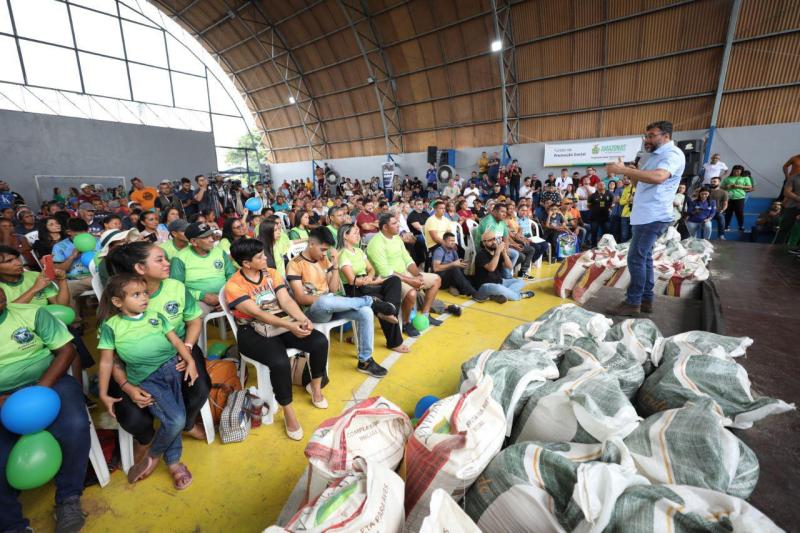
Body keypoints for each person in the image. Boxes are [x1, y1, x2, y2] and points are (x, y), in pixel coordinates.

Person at [104, 241, 211, 451]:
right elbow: (112, 357)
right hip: (134, 364)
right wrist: (127, 386)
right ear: (140, 268)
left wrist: (187, 348)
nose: (167, 263)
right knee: (132, 417)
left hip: (179, 349)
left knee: (200, 388)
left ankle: (186, 424)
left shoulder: (176, 287)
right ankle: (149, 440)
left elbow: (194, 320)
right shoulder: (118, 300)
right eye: (160, 259)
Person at [97, 274, 198, 488]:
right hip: (148, 379)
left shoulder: (156, 316)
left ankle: (172, 462)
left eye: (144, 293)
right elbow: (106, 362)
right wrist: (103, 393)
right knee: (177, 420)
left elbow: (176, 341)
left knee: (174, 418)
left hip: (173, 371)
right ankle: (154, 456)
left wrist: (190, 361)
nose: (144, 298)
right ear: (117, 302)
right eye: (136, 295)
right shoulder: (111, 326)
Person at [0, 288, 89, 532]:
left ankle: (68, 498)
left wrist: (40, 392)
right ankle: (12, 525)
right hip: (2, 397)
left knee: (75, 426)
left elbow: (67, 350)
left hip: (49, 381)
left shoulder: (32, 313)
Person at [605, 120, 685, 316]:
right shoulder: (653, 156)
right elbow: (638, 182)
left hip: (653, 214)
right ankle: (646, 300)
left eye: (652, 136)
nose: (647, 140)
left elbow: (659, 177)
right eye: (646, 136)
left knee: (635, 258)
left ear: (665, 136)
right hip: (644, 214)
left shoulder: (671, 154)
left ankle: (633, 303)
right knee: (645, 258)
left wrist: (623, 170)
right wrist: (629, 170)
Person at [287, 228, 391, 378]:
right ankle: (369, 301)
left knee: (366, 312)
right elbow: (301, 298)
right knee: (324, 300)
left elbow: (333, 288)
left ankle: (365, 361)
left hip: (333, 305)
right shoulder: (295, 264)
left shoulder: (324, 260)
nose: (324, 254)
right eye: (322, 250)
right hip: (313, 312)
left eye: (326, 250)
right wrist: (327, 299)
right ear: (311, 244)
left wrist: (335, 265)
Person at [367, 214, 443, 338]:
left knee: (436, 279)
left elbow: (408, 260)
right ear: (385, 227)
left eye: (398, 222)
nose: (398, 225)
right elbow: (385, 271)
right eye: (394, 223)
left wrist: (417, 276)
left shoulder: (396, 238)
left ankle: (425, 314)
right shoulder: (376, 243)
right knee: (411, 293)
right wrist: (412, 281)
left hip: (406, 274)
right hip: (390, 280)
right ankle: (406, 322)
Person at [337, 224, 409, 353]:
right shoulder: (342, 254)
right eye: (354, 233)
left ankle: (388, 311)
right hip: (354, 289)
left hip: (367, 284)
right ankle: (394, 341)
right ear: (345, 236)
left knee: (394, 280)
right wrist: (369, 281)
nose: (358, 235)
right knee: (382, 299)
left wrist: (371, 278)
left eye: (358, 232)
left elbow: (371, 269)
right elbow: (352, 280)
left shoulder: (358, 251)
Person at [169, 222, 236, 316]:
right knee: (194, 316)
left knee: (247, 305)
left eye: (211, 235)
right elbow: (176, 287)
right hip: (199, 300)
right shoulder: (180, 258)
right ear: (193, 242)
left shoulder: (219, 252)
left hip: (225, 295)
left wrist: (227, 296)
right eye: (205, 237)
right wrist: (201, 295)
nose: (212, 239)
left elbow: (232, 275)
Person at [473, 230, 533, 302]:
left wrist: (504, 253)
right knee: (499, 288)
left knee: (521, 282)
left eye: (494, 239)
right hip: (485, 285)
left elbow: (509, 266)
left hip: (500, 282)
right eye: (490, 240)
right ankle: (519, 295)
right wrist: (498, 252)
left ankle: (499, 295)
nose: (494, 242)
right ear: (484, 243)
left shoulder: (497, 252)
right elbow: (491, 268)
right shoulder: (481, 254)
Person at [52, 218, 94, 310]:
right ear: (69, 232)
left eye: (85, 233)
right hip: (73, 280)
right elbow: (59, 270)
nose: (82, 237)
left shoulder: (97, 242)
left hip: (94, 277)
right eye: (77, 235)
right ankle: (76, 323)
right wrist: (72, 257)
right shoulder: (60, 246)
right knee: (66, 290)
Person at [432, 232, 486, 302]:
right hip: (440, 279)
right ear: (444, 241)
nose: (453, 243)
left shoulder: (453, 251)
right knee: (454, 269)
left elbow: (457, 264)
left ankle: (472, 290)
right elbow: (436, 268)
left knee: (468, 277)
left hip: (451, 276)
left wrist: (462, 264)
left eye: (454, 241)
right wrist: (453, 264)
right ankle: (473, 293)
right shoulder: (439, 251)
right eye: (451, 241)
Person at [476, 202, 519, 278]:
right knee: (512, 255)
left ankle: (504, 274)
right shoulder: (488, 222)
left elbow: (506, 237)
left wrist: (505, 249)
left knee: (515, 254)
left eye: (505, 212)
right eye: (502, 212)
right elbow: (488, 242)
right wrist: (501, 251)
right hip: (485, 249)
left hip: (497, 246)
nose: (504, 214)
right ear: (494, 212)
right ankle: (506, 276)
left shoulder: (502, 222)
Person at [721, 166, 753, 232]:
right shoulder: (728, 178)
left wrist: (738, 186)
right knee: (728, 212)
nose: (736, 172)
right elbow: (722, 187)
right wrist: (727, 187)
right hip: (729, 197)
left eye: (738, 171)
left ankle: (741, 225)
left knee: (739, 212)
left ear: (741, 171)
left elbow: (750, 187)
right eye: (735, 170)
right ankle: (726, 226)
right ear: (732, 170)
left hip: (740, 197)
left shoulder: (745, 178)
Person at [776, 172, 800, 247]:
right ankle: (776, 248)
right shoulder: (793, 177)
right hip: (792, 207)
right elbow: (786, 192)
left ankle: (796, 249)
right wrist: (799, 199)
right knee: (784, 228)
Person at [618, 175, 635, 242]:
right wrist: (628, 200)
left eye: (627, 179)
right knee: (624, 235)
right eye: (624, 179)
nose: (626, 180)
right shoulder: (625, 189)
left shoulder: (637, 188)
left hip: (634, 215)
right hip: (625, 215)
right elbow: (621, 202)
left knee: (633, 235)